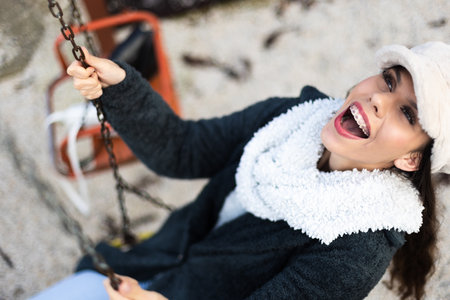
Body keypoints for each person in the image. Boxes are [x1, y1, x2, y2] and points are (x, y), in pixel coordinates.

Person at [31, 41, 449, 300]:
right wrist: (120, 86)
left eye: (407, 114)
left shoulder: (356, 249)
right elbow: (183, 149)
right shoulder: (290, 119)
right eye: (389, 81)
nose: (379, 99)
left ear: (411, 159)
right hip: (151, 261)